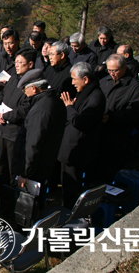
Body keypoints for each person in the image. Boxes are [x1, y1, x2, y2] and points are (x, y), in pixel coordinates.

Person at [12, 69, 66, 210]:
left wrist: (25, 173)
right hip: (46, 162)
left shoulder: (40, 110)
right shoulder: (55, 101)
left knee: (30, 204)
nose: (25, 94)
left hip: (35, 168)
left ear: (34, 88)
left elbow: (33, 144)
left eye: (25, 90)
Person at [58, 62, 106, 208]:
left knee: (73, 185)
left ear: (85, 79)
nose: (72, 83)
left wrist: (69, 107)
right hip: (71, 146)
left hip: (79, 148)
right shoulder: (86, 93)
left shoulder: (96, 97)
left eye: (74, 79)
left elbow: (80, 122)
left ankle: (71, 215)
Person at [0, 49, 37, 185]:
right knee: (0, 165)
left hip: (15, 133)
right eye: (16, 62)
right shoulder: (12, 78)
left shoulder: (32, 85)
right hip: (2, 129)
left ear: (30, 64)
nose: (16, 65)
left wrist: (6, 115)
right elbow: (0, 96)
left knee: (13, 168)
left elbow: (25, 109)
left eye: (20, 62)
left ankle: (10, 200)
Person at [97, 54, 139, 183]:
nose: (112, 73)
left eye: (115, 70)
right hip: (100, 131)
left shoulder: (134, 87)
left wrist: (111, 118)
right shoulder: (104, 81)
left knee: (110, 167)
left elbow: (134, 112)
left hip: (117, 135)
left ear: (124, 68)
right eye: (109, 70)